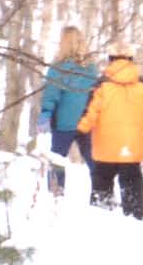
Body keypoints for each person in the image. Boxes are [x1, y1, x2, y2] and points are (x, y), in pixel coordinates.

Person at [76, 40, 143, 219]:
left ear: (110, 59)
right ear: (131, 59)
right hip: (131, 149)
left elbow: (91, 113)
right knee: (132, 183)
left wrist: (80, 130)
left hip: (105, 148)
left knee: (102, 185)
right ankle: (135, 219)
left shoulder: (101, 87)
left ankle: (102, 220)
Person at [37, 26, 99, 197]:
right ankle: (102, 194)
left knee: (57, 159)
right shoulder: (92, 69)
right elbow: (96, 95)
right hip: (86, 122)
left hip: (64, 122)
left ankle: (56, 194)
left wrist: (45, 114)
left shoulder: (59, 68)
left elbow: (51, 94)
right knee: (94, 160)